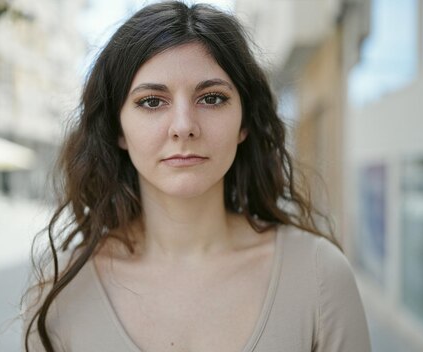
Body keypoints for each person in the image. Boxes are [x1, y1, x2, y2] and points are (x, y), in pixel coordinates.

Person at [22, 2, 371, 351]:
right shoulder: (59, 292)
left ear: (245, 122)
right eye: (152, 102)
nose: (184, 126)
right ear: (118, 129)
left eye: (212, 98)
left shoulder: (319, 275)